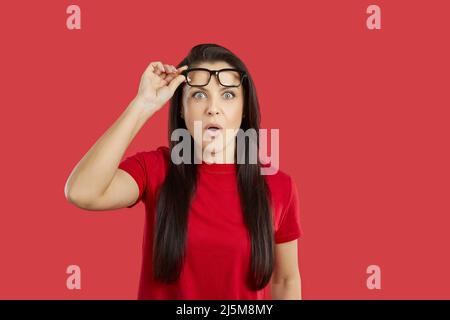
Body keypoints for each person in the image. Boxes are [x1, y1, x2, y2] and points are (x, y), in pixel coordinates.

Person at [64, 43, 303, 300]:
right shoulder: (154, 170)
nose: (213, 108)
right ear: (181, 107)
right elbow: (82, 192)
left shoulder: (278, 186)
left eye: (228, 95)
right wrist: (143, 104)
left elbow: (285, 279)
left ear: (244, 109)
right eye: (199, 95)